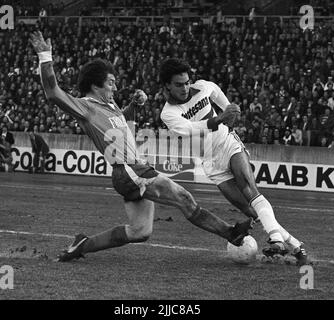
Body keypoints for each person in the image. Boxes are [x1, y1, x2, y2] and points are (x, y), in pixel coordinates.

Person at [29, 31, 252, 262]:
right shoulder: (86, 107)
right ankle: (231, 233)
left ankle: (82, 245)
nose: (115, 88)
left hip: (130, 172)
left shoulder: (111, 106)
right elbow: (53, 92)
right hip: (128, 170)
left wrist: (134, 106)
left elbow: (122, 125)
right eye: (111, 83)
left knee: (140, 231)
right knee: (184, 198)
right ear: (96, 86)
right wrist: (45, 57)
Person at [159, 58, 308, 265]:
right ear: (167, 85)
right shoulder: (168, 113)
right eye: (178, 84)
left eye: (186, 82)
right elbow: (190, 129)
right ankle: (297, 247)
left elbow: (227, 105)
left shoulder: (203, 87)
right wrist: (220, 118)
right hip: (211, 163)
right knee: (249, 210)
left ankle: (276, 240)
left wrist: (231, 114)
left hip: (227, 143)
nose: (185, 88)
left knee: (249, 189)